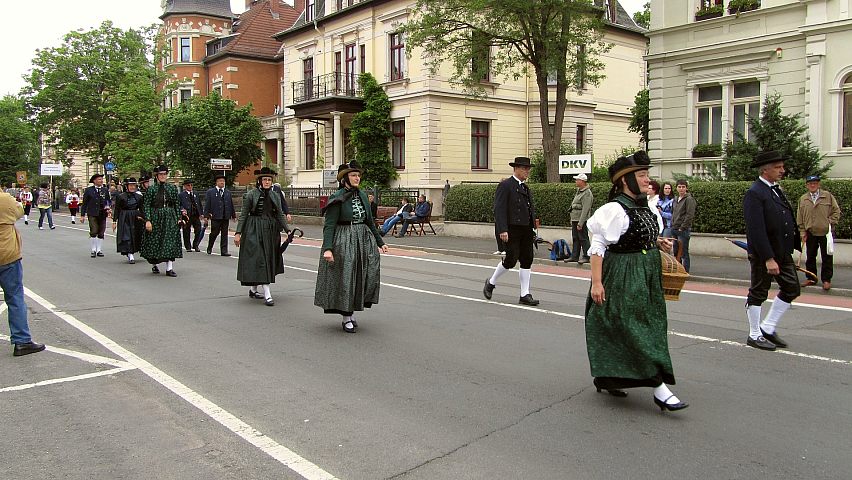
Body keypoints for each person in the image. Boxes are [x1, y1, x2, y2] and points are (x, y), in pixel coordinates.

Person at [584, 150, 687, 412]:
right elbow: (598, 247)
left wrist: (657, 241)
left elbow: (638, 236)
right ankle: (659, 387)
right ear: (624, 181)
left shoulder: (646, 206)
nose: (647, 180)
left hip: (646, 274)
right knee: (636, 329)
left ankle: (608, 377)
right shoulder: (613, 210)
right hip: (623, 274)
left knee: (645, 325)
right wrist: (597, 283)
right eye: (641, 175)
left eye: (646, 175)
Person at [314, 161, 388, 333]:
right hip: (344, 238)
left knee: (361, 276)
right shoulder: (337, 198)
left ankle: (352, 309)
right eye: (354, 175)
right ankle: (346, 316)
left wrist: (380, 242)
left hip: (363, 239)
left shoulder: (362, 195)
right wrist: (327, 248)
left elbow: (369, 221)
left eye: (358, 175)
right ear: (345, 178)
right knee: (346, 276)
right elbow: (329, 225)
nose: (357, 178)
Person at [743, 150, 801, 351]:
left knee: (792, 288)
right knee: (759, 292)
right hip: (764, 254)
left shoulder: (775, 189)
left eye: (782, 167)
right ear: (765, 170)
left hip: (782, 252)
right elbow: (756, 230)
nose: (782, 170)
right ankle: (754, 334)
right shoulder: (755, 192)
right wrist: (768, 258)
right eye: (778, 167)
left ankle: (767, 327)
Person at [483, 156, 539, 306]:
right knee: (511, 260)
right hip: (512, 229)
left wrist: (533, 228)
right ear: (516, 169)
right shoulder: (506, 185)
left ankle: (525, 294)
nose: (527, 171)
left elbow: (529, 209)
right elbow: (499, 209)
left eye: (528, 169)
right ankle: (491, 282)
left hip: (526, 229)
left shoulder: (525, 188)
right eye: (524, 168)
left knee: (527, 259)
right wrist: (502, 229)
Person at [234, 167, 289, 306]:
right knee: (260, 259)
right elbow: (244, 215)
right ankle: (267, 294)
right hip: (254, 229)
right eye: (264, 179)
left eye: (269, 180)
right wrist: (238, 233)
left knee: (266, 259)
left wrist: (288, 230)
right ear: (259, 181)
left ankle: (253, 289)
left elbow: (280, 215)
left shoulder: (275, 195)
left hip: (270, 230)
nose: (267, 182)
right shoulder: (250, 195)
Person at [1, 190, 45, 356]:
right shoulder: (5, 199)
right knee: (15, 298)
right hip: (7, 254)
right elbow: (20, 210)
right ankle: (22, 341)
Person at [797, 175, 841, 291]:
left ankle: (826, 280)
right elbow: (800, 217)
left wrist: (830, 222)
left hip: (826, 233)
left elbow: (836, 211)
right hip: (810, 232)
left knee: (827, 257)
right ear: (807, 185)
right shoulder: (803, 199)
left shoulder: (827, 196)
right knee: (810, 256)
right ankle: (811, 278)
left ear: (819, 184)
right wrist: (802, 232)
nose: (812, 185)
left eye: (815, 183)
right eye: (810, 183)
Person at [141, 165, 182, 276]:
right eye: (161, 174)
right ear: (157, 176)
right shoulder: (151, 189)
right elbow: (146, 205)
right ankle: (154, 264)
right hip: (156, 216)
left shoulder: (172, 188)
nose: (163, 176)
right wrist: (148, 220)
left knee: (170, 240)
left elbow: (177, 204)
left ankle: (169, 268)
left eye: (164, 174)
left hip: (169, 217)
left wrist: (178, 218)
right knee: (155, 240)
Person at [112, 177, 144, 264]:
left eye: (134, 185)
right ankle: (130, 254)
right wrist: (114, 221)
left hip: (135, 217)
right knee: (127, 235)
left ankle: (135, 250)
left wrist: (144, 218)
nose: (132, 187)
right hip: (124, 217)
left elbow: (142, 209)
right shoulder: (121, 196)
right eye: (131, 185)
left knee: (135, 234)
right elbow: (117, 209)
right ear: (127, 186)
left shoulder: (139, 197)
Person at [204, 173, 236, 256]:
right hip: (215, 216)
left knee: (224, 234)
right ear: (217, 182)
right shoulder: (211, 192)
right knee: (214, 232)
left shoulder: (227, 192)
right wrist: (206, 216)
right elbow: (207, 204)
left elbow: (230, 204)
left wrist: (233, 215)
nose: (222, 182)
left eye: (223, 181)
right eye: (220, 181)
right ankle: (210, 247)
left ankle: (224, 251)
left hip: (225, 216)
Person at [80, 174, 112, 257]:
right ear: (94, 181)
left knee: (101, 232)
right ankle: (93, 249)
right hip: (92, 213)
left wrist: (108, 207)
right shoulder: (88, 190)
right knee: (94, 230)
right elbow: (84, 203)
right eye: (99, 179)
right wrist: (82, 215)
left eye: (101, 179)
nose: (101, 181)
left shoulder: (105, 190)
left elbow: (108, 201)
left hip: (102, 213)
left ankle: (99, 250)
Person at [670, 179, 696, 272]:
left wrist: (682, 227)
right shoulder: (676, 199)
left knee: (684, 251)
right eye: (679, 187)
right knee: (676, 251)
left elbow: (689, 215)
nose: (681, 189)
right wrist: (672, 225)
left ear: (686, 188)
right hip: (674, 228)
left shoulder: (689, 199)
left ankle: (685, 270)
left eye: (683, 187)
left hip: (683, 230)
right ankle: (678, 269)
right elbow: (673, 212)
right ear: (676, 188)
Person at [567, 173, 593, 263]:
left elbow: (585, 209)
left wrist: (581, 223)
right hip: (575, 218)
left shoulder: (587, 193)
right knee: (575, 238)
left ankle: (587, 256)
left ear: (582, 181)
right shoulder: (579, 191)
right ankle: (574, 256)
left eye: (577, 180)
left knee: (583, 238)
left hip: (581, 220)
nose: (576, 181)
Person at [178, 179, 204, 252]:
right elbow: (178, 205)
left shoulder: (196, 194)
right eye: (188, 185)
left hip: (195, 215)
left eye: (191, 185)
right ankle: (188, 246)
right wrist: (182, 210)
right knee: (186, 231)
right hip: (187, 216)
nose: (190, 187)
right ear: (185, 186)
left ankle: (195, 245)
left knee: (198, 230)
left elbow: (199, 204)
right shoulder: (181, 195)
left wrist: (201, 213)